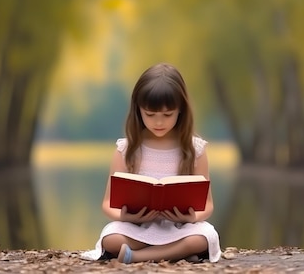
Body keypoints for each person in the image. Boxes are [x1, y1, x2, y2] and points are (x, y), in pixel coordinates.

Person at [82, 63, 221, 263]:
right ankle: (175, 252)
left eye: (167, 115)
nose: (158, 122)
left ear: (180, 110)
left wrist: (192, 218)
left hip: (181, 227)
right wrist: (129, 218)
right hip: (137, 227)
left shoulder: (195, 149)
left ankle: (136, 256)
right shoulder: (126, 149)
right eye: (150, 114)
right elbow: (107, 204)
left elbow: (207, 205)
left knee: (202, 237)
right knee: (111, 238)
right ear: (138, 110)